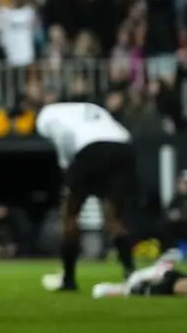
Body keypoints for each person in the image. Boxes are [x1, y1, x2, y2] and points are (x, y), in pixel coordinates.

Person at [34, 100, 138, 292]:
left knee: (70, 214)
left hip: (92, 149)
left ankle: (69, 279)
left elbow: (63, 135)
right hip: (125, 148)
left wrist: (66, 168)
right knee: (114, 218)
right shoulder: (89, 106)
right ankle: (131, 273)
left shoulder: (45, 115)